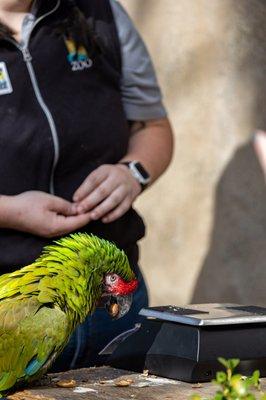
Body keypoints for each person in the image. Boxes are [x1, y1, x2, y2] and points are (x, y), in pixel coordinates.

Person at [0, 0, 174, 370]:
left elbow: (153, 126)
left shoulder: (100, 12)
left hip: (115, 298)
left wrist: (133, 173)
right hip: (11, 309)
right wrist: (11, 212)